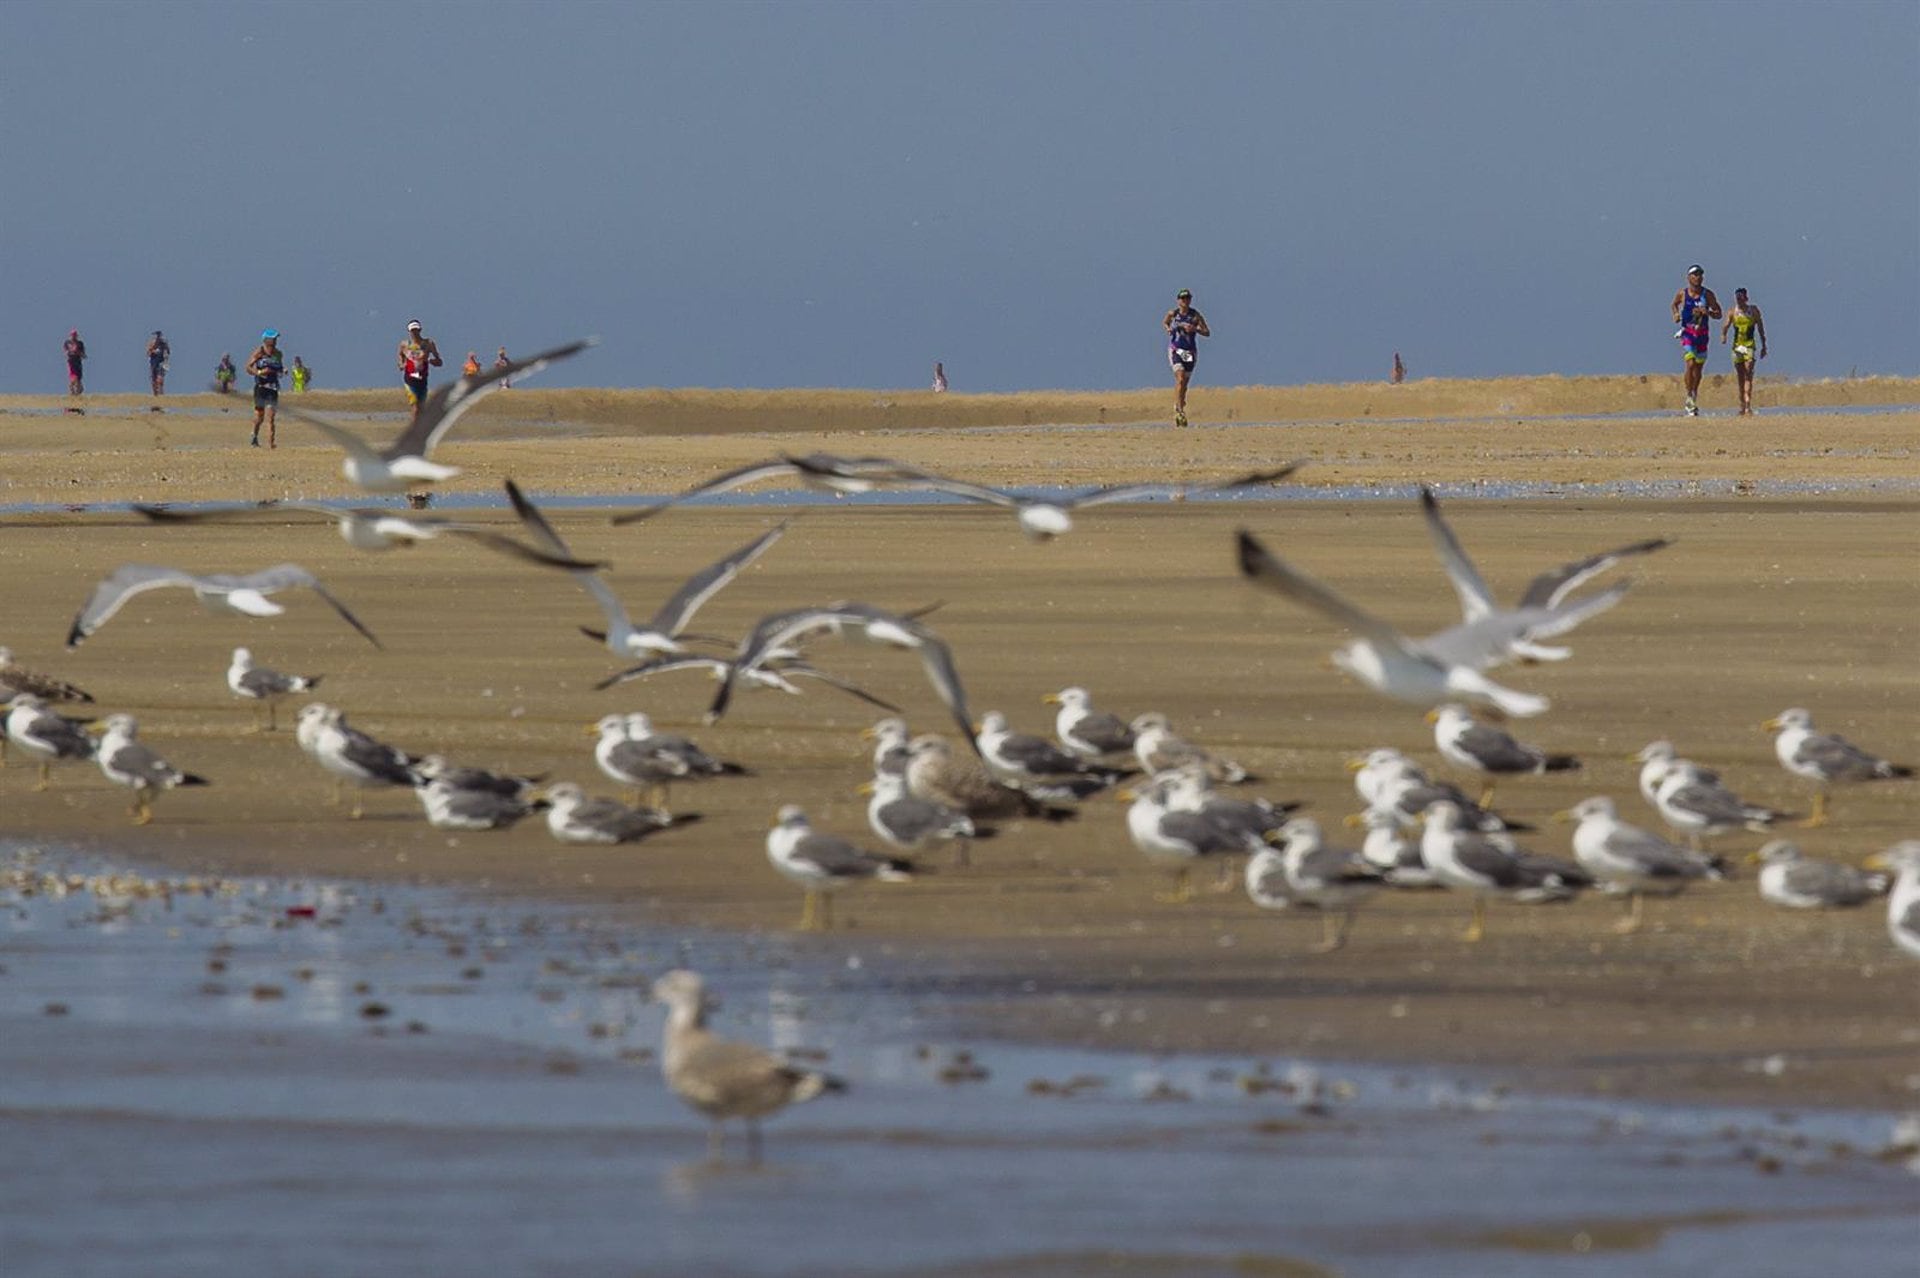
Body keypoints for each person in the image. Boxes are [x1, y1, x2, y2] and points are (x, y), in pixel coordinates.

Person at [1669, 264, 1721, 417]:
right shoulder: (1683, 294)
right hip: (1688, 332)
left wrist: (1709, 312)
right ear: (1689, 277)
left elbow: (1718, 313)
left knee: (1698, 368)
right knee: (1690, 363)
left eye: (1700, 275)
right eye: (1694, 275)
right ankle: (1688, 394)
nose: (1698, 278)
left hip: (1702, 334)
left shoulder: (1708, 295)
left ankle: (1694, 393)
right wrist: (1676, 314)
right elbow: (1674, 304)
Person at [1162, 289, 1209, 427]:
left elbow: (1207, 332)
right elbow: (1165, 322)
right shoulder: (1173, 314)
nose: (1185, 301)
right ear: (1178, 300)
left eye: (1187, 298)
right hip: (1176, 349)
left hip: (1189, 352)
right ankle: (1179, 410)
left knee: (1184, 384)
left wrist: (1195, 330)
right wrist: (1168, 329)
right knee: (1180, 378)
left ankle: (1180, 402)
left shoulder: (1195, 316)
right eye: (1182, 298)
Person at [1720, 287, 1768, 416]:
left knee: (1748, 372)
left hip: (1749, 345)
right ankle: (1741, 403)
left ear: (1746, 298)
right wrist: (1723, 336)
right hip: (1737, 346)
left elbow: (1760, 328)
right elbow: (1725, 326)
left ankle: (1748, 404)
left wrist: (1764, 345)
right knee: (1740, 375)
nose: (1739, 301)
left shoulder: (1753, 311)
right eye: (1737, 299)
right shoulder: (1732, 312)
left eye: (1741, 298)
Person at [397, 320, 443, 419]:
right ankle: (415, 430)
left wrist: (429, 360)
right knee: (415, 406)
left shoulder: (428, 344)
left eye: (416, 330)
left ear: (420, 330)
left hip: (422, 379)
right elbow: (400, 356)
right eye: (412, 331)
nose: (415, 333)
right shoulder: (405, 344)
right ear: (409, 332)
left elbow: (439, 362)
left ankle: (418, 426)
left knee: (421, 407)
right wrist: (402, 364)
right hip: (409, 379)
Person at [246, 329, 285, 448]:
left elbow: (279, 367)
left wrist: (283, 370)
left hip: (272, 388)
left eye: (276, 339)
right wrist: (259, 372)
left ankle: (271, 443)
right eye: (273, 338)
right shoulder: (259, 352)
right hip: (261, 387)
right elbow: (248, 367)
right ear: (266, 340)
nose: (275, 341)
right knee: (259, 416)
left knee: (271, 417)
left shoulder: (278, 354)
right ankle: (254, 435)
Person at [63, 329, 86, 397]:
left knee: (78, 378)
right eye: (72, 335)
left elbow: (83, 354)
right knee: (74, 376)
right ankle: (72, 390)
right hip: (71, 361)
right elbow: (66, 352)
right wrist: (70, 352)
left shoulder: (80, 344)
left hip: (78, 362)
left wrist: (79, 353)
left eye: (75, 335)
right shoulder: (67, 343)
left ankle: (77, 391)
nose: (73, 337)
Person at [146, 331, 170, 396]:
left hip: (161, 363)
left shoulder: (164, 344)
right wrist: (152, 350)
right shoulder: (151, 343)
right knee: (154, 381)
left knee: (160, 380)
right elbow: (148, 353)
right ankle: (155, 396)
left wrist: (166, 361)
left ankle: (161, 395)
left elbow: (167, 352)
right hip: (153, 363)